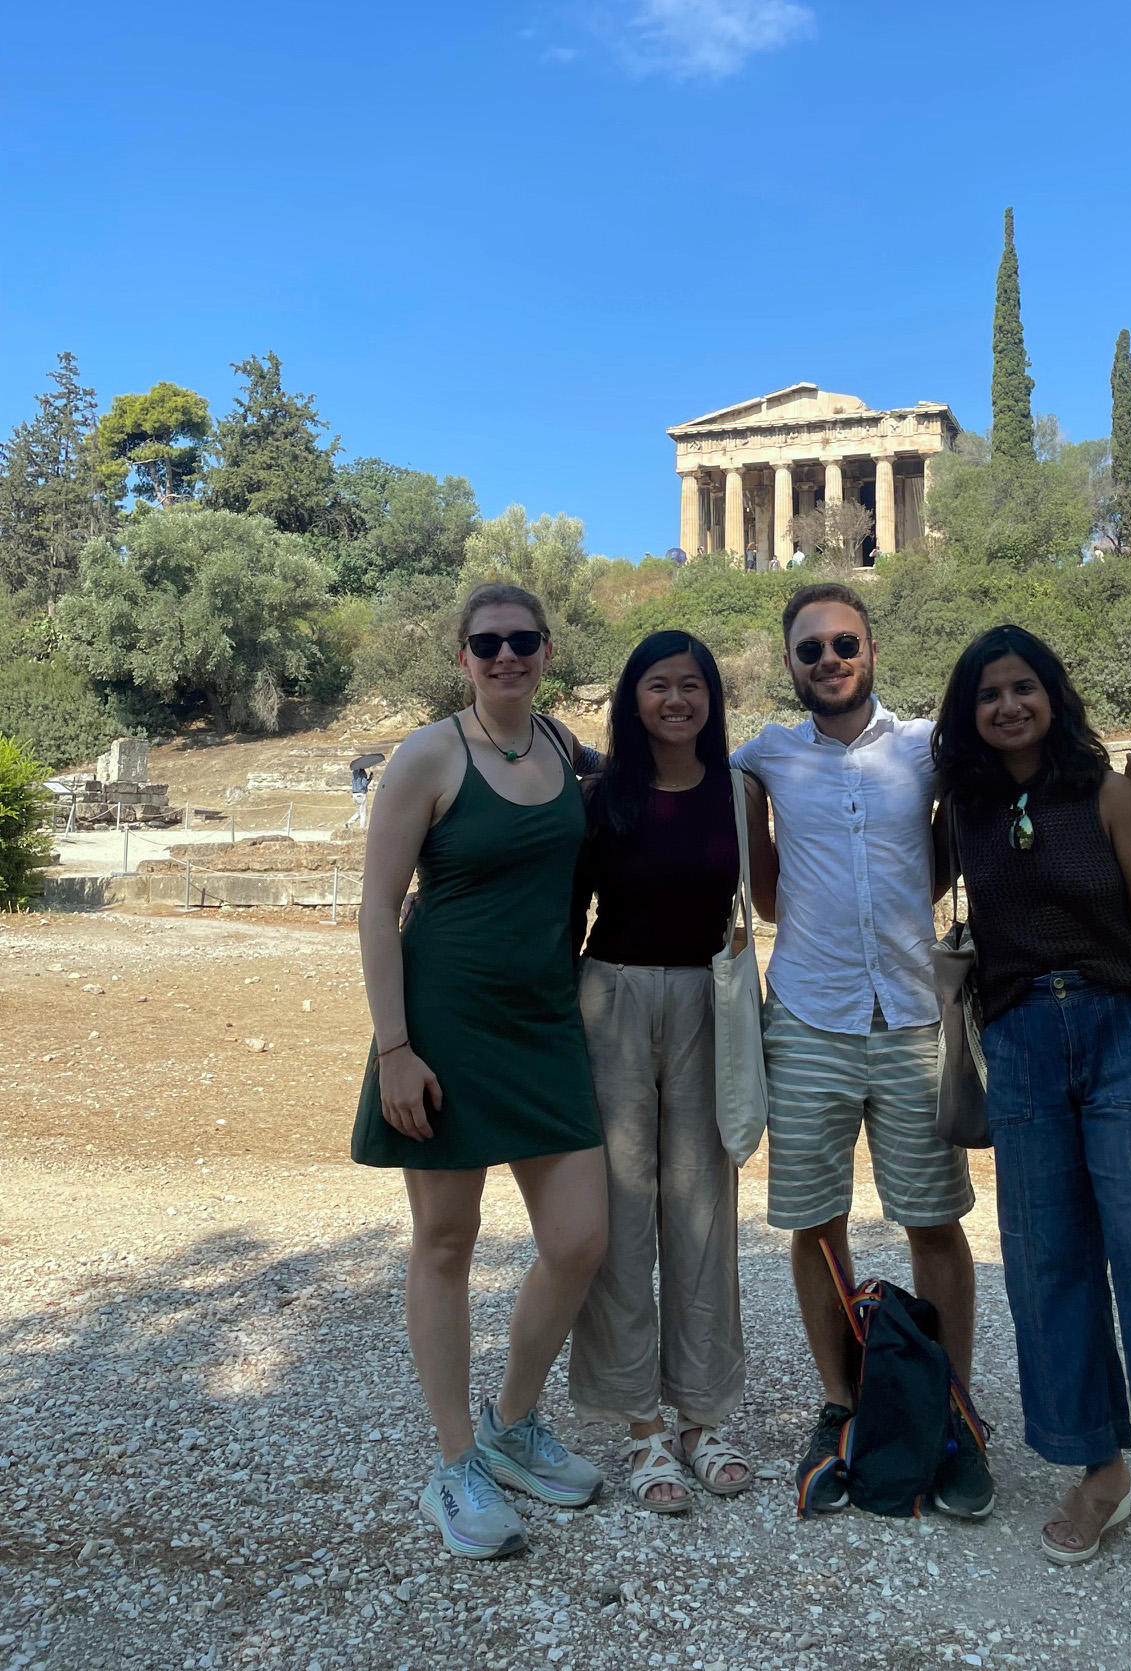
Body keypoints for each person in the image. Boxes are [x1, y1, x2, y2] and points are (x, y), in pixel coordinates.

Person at [931, 624, 1131, 1648]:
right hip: (1019, 1045)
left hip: (1118, 1041)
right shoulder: (966, 809)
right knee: (1048, 1271)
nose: (1009, 705)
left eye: (1024, 688)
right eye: (990, 694)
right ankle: (1099, 1467)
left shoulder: (1110, 796)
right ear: (968, 715)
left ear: (1053, 697)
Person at [351, 581, 608, 1561]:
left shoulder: (562, 747)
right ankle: (455, 1462)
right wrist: (394, 1048)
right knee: (447, 1243)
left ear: (548, 650)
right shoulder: (428, 754)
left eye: (524, 641)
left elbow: (630, 790)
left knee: (580, 1239)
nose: (507, 656)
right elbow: (378, 909)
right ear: (462, 656)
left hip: (544, 1024)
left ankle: (511, 1423)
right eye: (488, 642)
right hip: (444, 1027)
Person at [730, 581, 990, 1520]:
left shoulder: (927, 747)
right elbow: (748, 872)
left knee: (934, 1223)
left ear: (872, 649)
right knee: (816, 1222)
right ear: (790, 664)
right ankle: (840, 1406)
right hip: (807, 1017)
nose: (830, 660)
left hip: (917, 1017)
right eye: (810, 650)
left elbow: (990, 804)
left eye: (845, 644)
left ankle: (951, 1407)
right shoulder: (763, 755)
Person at [569, 631, 772, 1513]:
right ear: (633, 695)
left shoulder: (737, 793)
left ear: (712, 698)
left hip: (707, 1003)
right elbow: (564, 909)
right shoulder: (598, 796)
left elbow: (769, 896)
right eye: (660, 685)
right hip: (609, 1000)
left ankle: (703, 1412)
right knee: (618, 1214)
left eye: (693, 686)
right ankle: (639, 1423)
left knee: (704, 1210)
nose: (678, 700)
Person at [347, 764, 372, 829]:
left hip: (354, 794)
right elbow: (364, 784)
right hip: (361, 794)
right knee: (363, 813)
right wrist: (370, 777)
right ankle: (362, 828)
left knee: (358, 812)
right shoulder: (362, 773)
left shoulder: (354, 773)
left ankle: (349, 823)